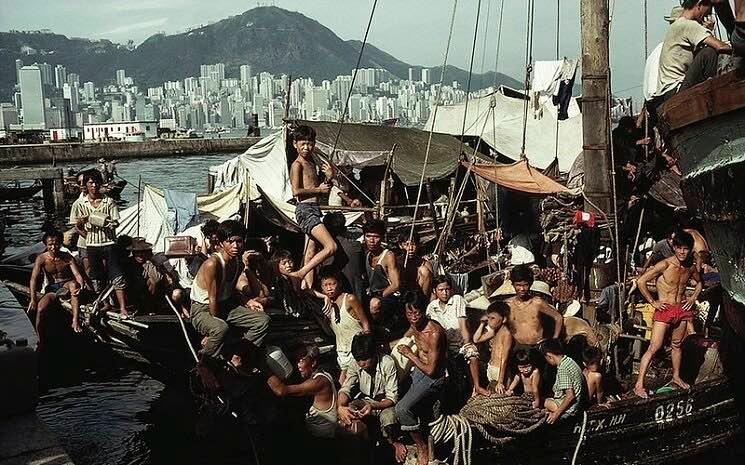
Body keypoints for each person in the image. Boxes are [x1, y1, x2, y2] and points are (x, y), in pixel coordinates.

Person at [634, 231, 702, 398]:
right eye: (679, 248)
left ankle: (676, 377)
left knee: (677, 344)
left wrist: (693, 297)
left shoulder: (690, 267)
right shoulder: (664, 265)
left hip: (682, 309)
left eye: (686, 249)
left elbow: (699, 283)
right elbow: (641, 281)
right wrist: (652, 302)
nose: (682, 252)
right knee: (654, 347)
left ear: (690, 250)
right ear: (674, 248)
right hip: (665, 309)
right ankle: (638, 385)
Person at [189, 220, 270, 358]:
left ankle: (238, 355)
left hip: (224, 304)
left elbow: (230, 291)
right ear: (221, 243)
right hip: (203, 308)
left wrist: (248, 302)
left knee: (263, 321)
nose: (235, 246)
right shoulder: (212, 263)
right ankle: (205, 362)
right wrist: (212, 330)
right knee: (220, 328)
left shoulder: (237, 263)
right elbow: (212, 298)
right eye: (230, 241)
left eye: (239, 241)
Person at [395, 292, 447, 465]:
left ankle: (421, 446)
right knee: (393, 395)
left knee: (402, 409)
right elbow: (403, 339)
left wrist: (409, 354)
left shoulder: (433, 333)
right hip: (418, 372)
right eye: (409, 314)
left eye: (416, 313)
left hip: (433, 378)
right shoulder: (413, 325)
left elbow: (432, 370)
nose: (413, 317)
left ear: (424, 311)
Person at [338, 333, 406, 462]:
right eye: (358, 360)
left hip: (385, 403)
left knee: (388, 418)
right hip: (366, 401)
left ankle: (394, 442)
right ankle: (363, 442)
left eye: (365, 359)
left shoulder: (387, 362)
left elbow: (392, 398)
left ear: (374, 354)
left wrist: (373, 406)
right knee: (350, 409)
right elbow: (345, 389)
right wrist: (340, 407)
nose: (361, 363)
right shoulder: (355, 364)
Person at [69, 169, 128, 318]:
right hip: (92, 245)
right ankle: (103, 303)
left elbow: (115, 222)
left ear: (100, 184)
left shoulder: (109, 201)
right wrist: (84, 228)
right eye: (91, 183)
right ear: (86, 186)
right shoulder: (79, 204)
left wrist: (110, 225)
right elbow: (77, 226)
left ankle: (123, 308)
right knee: (96, 277)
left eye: (96, 182)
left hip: (109, 243)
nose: (94, 185)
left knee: (117, 275)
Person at [653, 0, 732, 105]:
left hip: (667, 93)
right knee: (710, 52)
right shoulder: (689, 25)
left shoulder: (677, 25)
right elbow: (721, 47)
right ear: (699, 4)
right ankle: (714, 94)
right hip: (677, 90)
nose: (707, 16)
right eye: (708, 12)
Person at [289, 125, 339, 285]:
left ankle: (306, 287)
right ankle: (301, 273)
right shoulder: (297, 165)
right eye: (302, 143)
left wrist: (329, 178)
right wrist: (319, 188)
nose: (306, 147)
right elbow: (296, 191)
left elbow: (320, 191)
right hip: (305, 210)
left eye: (310, 143)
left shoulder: (311, 163)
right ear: (294, 144)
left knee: (310, 252)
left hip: (314, 209)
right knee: (331, 246)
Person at [427, 275, 490, 397]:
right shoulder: (432, 307)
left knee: (472, 353)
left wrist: (467, 343)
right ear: (434, 291)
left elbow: (463, 324)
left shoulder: (457, 299)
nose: (445, 293)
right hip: (444, 347)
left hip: (460, 342)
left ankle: (477, 386)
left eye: (447, 289)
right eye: (441, 290)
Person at [28, 230, 88, 343]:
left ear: (60, 243)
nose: (53, 247)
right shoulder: (41, 258)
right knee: (41, 309)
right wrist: (33, 299)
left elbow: (77, 275)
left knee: (74, 285)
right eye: (50, 244)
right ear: (46, 244)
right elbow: (33, 279)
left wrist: (81, 286)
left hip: (66, 284)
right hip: (51, 288)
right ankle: (40, 339)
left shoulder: (67, 257)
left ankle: (75, 320)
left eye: (56, 244)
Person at [267, 345, 338, 438]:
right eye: (296, 361)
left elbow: (281, 391)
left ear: (313, 362)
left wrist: (266, 370)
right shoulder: (322, 374)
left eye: (301, 361)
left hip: (324, 438)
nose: (297, 366)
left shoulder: (318, 382)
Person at [319, 268, 370, 384]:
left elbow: (365, 322)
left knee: (350, 382)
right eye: (325, 285)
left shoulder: (350, 299)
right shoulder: (328, 305)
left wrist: (367, 343)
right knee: (343, 382)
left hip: (357, 347)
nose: (329, 288)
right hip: (342, 350)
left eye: (332, 284)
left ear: (340, 283)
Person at [505, 265, 563, 358]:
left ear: (530, 284)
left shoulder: (537, 303)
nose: (522, 289)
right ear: (513, 284)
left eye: (525, 285)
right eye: (518, 285)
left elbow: (558, 317)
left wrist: (554, 339)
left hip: (537, 346)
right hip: (517, 347)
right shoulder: (508, 304)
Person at [363, 219, 401, 330]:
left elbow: (395, 285)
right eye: (368, 236)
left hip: (389, 297)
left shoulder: (388, 255)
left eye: (376, 237)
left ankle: (380, 329)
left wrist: (380, 296)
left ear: (382, 238)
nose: (372, 240)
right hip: (373, 294)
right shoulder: (367, 254)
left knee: (374, 304)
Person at [473, 301, 513, 394]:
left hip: (500, 371)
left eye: (493, 318)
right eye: (488, 318)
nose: (489, 321)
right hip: (491, 368)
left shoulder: (507, 334)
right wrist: (482, 323)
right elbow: (476, 339)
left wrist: (500, 381)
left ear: (504, 319)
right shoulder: (494, 331)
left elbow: (504, 359)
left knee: (499, 400)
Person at [542, 338, 584, 423]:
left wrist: (556, 414)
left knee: (538, 401)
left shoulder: (563, 369)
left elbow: (570, 396)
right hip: (576, 404)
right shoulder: (569, 361)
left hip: (570, 409)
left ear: (549, 356)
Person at [123, 237, 166, 312]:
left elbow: (157, 278)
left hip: (148, 293)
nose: (140, 255)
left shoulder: (150, 263)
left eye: (142, 252)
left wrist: (149, 262)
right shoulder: (128, 262)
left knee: (153, 281)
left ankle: (149, 305)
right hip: (132, 291)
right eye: (137, 252)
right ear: (133, 253)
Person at [397, 231, 434, 298]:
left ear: (418, 245)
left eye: (413, 244)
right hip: (401, 295)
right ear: (400, 246)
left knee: (424, 270)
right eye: (406, 244)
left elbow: (431, 287)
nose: (410, 248)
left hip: (420, 297)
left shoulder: (425, 263)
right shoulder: (396, 262)